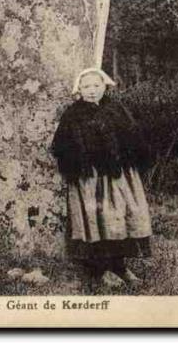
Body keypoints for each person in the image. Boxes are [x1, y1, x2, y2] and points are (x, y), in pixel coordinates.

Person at [51, 67, 153, 289]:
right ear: (79, 90)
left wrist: (129, 158)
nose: (91, 90)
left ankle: (120, 267)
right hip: (90, 179)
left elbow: (132, 136)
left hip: (117, 178)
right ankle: (100, 270)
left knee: (118, 219)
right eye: (86, 86)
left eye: (96, 86)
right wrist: (77, 164)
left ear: (104, 87)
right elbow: (60, 145)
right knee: (95, 222)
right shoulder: (73, 114)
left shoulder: (115, 109)